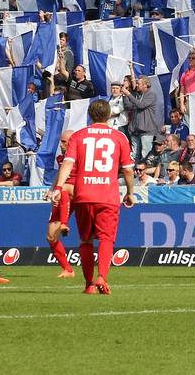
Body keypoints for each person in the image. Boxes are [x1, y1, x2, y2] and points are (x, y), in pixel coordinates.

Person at [50, 99, 135, 296]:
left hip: (84, 194)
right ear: (109, 115)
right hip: (108, 195)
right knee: (106, 239)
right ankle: (101, 277)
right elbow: (128, 171)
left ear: (90, 114)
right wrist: (130, 193)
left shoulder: (78, 136)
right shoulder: (119, 137)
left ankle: (89, 284)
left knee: (86, 240)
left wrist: (58, 187)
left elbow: (68, 164)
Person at [46, 130, 76, 277]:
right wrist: (51, 189)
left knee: (63, 189)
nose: (62, 145)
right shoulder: (61, 158)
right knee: (51, 236)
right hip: (63, 196)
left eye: (65, 142)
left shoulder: (81, 156)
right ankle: (68, 269)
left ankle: (64, 223)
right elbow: (59, 175)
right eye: (61, 142)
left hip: (78, 193)